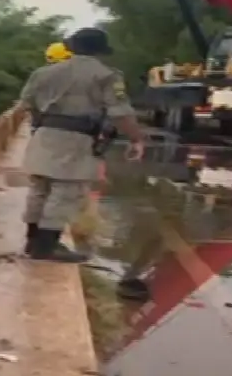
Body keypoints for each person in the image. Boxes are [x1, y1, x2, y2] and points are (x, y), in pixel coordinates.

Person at [19, 27, 146, 262]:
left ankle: (32, 241)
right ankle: (46, 247)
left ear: (73, 47)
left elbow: (27, 102)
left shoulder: (43, 73)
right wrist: (136, 138)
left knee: (40, 188)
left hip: (44, 134)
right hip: (77, 139)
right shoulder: (107, 76)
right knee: (65, 192)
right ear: (100, 51)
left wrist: (43, 120)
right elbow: (120, 112)